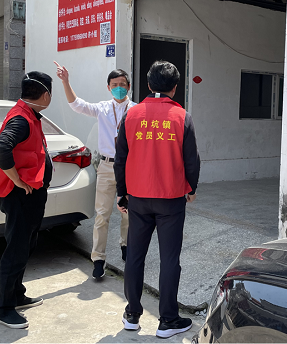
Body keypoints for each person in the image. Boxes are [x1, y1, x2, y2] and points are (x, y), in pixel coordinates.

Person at [115, 60, 201, 339]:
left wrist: (122, 193)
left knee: (135, 257)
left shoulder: (131, 115)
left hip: (138, 198)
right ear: (175, 88)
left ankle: (132, 315)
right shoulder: (182, 117)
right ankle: (168, 320)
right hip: (170, 199)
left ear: (149, 84)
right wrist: (191, 188)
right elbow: (192, 160)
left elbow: (120, 158)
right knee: (169, 259)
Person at [54, 61, 135, 279]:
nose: (119, 88)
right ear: (108, 87)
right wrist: (66, 81)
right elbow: (76, 105)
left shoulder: (136, 110)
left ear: (129, 87)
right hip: (107, 167)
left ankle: (126, 246)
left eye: (122, 84)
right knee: (102, 214)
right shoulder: (102, 108)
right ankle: (98, 258)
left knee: (129, 213)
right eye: (114, 85)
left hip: (130, 168)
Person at [0, 71, 53, 329]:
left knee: (27, 245)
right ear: (46, 95)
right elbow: (1, 148)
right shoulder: (21, 118)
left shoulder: (29, 114)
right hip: (20, 195)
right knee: (16, 250)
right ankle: (4, 309)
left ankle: (16, 294)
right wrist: (16, 180)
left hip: (32, 194)